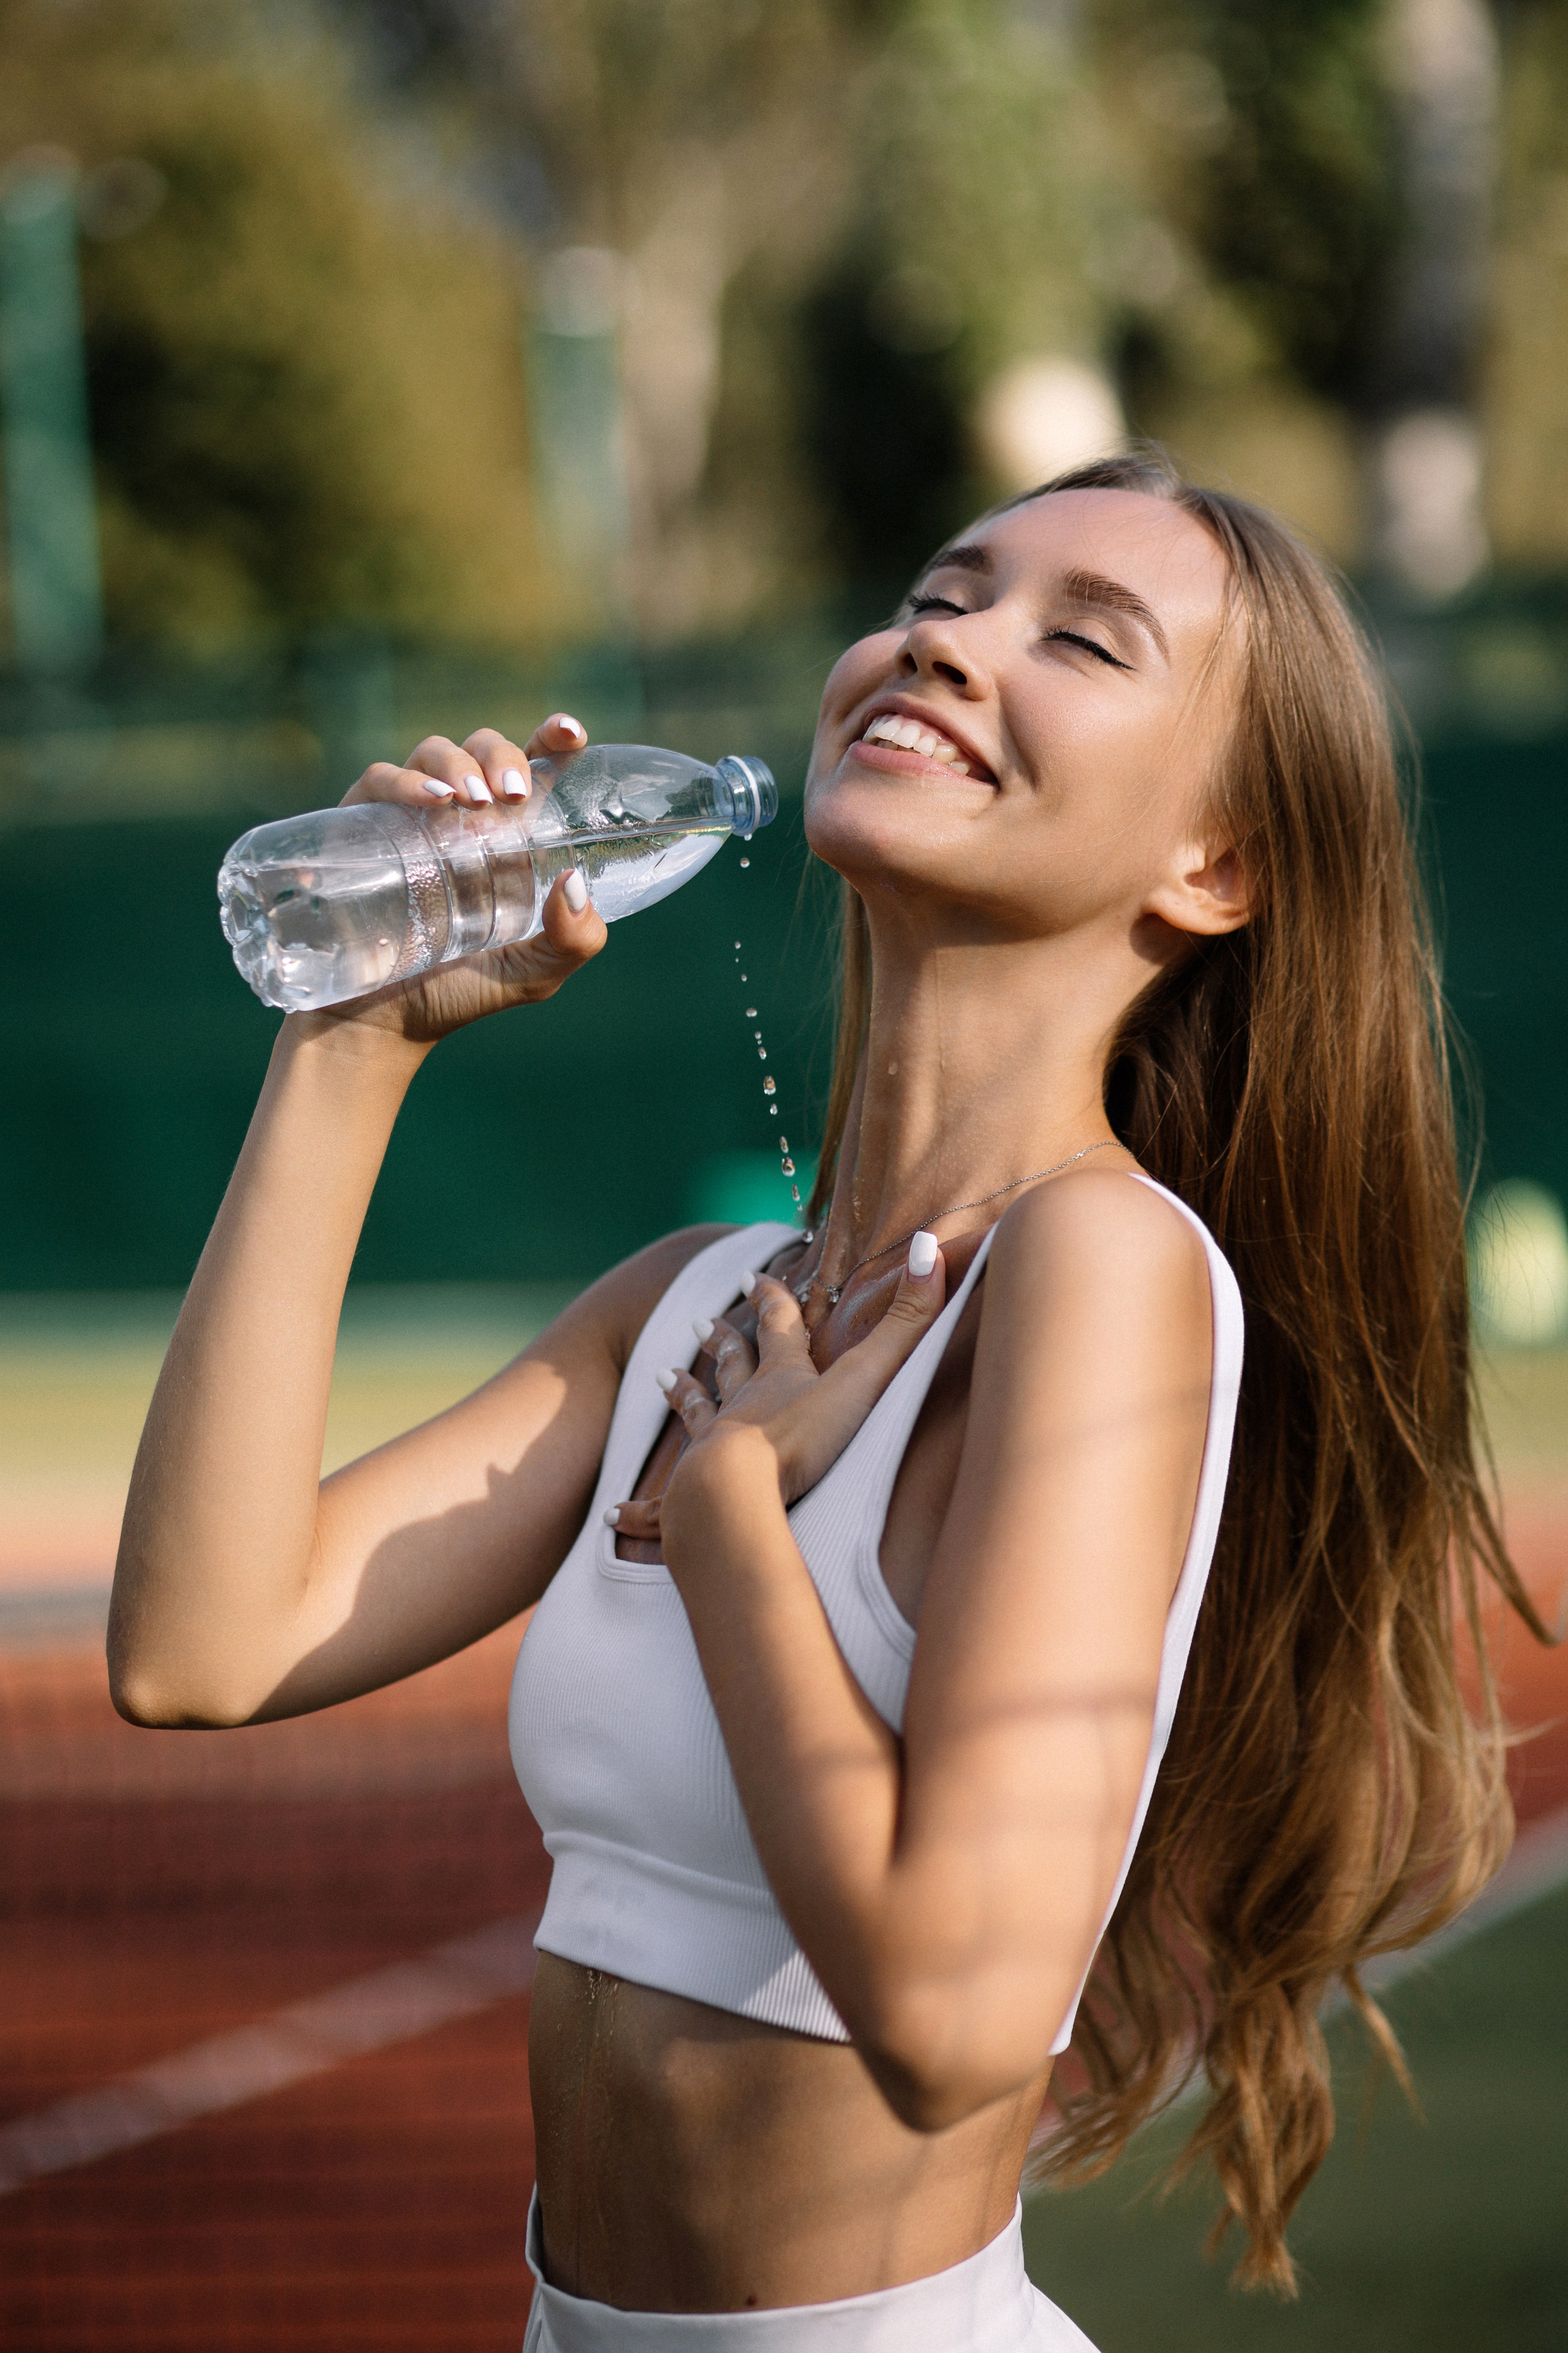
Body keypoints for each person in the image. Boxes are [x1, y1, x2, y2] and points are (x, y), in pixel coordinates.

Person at [109, 451, 1545, 2351]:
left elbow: (950, 2020)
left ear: (1215, 864)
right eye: (942, 595)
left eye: (1079, 639)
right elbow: (201, 1642)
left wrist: (727, 1528)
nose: (946, 647)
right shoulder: (692, 1310)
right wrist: (354, 1040)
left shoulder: (1103, 1271)